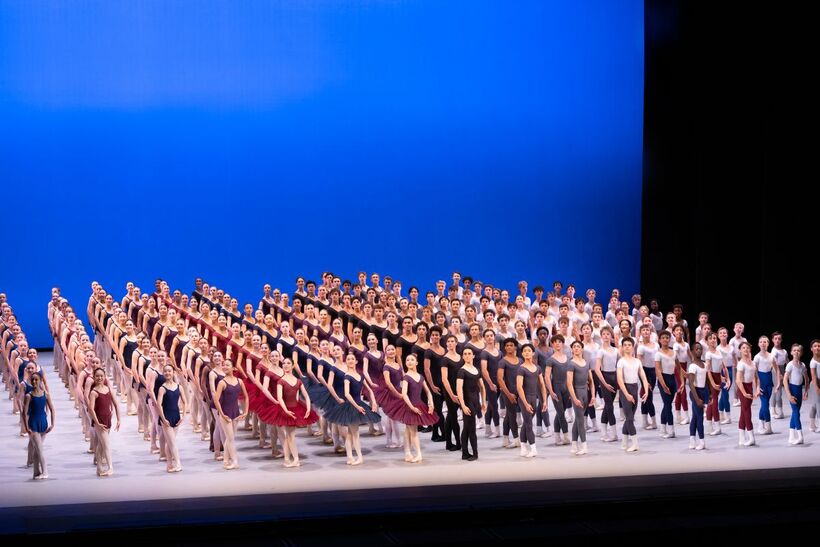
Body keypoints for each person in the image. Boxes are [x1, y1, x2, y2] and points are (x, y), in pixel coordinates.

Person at [389, 353, 437, 462]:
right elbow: (404, 394)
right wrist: (411, 407)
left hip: (418, 404)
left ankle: (408, 453)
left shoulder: (420, 376)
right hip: (409, 406)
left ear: (416, 363)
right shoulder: (406, 377)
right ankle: (418, 454)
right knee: (412, 430)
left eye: (412, 360)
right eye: (407, 360)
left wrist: (431, 404)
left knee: (409, 430)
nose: (409, 362)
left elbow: (428, 391)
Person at [274, 358, 319, 468]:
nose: (285, 365)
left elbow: (306, 396)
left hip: (295, 409)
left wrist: (308, 408)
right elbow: (279, 397)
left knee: (289, 436)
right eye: (284, 363)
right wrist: (285, 410)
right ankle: (293, 459)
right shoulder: (280, 381)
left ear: (293, 366)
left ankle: (291, 459)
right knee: (289, 436)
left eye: (288, 363)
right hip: (286, 410)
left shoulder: (298, 381)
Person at [214, 359, 248, 469]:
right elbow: (216, 400)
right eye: (223, 365)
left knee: (230, 438)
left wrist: (246, 411)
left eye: (227, 365)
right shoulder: (222, 383)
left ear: (233, 368)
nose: (224, 367)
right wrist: (222, 414)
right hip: (226, 413)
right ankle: (235, 461)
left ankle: (225, 460)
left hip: (235, 412)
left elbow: (246, 397)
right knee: (230, 438)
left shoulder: (239, 381)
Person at [616, 338, 649, 452]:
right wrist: (626, 394)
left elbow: (643, 377)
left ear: (633, 346)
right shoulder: (621, 361)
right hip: (625, 389)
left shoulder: (637, 361)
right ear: (622, 347)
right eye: (625, 345)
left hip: (635, 389)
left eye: (629, 345)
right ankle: (635, 443)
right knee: (630, 418)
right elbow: (620, 379)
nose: (627, 347)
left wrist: (646, 391)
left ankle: (624, 443)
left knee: (629, 418)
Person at [516, 344, 547, 457]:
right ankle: (533, 449)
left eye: (529, 350)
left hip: (534, 399)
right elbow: (519, 387)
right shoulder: (521, 369)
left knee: (526, 423)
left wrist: (545, 401)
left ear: (533, 353)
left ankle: (523, 447)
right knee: (529, 424)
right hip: (525, 399)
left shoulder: (538, 368)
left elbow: (542, 385)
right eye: (525, 351)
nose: (527, 352)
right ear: (522, 354)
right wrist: (525, 403)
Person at [88, 367, 119, 476]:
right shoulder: (94, 392)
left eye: (101, 376)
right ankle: (110, 467)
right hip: (99, 422)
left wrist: (119, 419)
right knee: (106, 444)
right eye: (97, 376)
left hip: (107, 420)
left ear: (105, 376)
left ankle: (99, 468)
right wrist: (97, 422)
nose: (99, 378)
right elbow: (91, 409)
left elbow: (116, 404)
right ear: (94, 377)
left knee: (101, 445)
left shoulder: (108, 389)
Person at [23, 372, 55, 479]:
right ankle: (45, 471)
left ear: (40, 380)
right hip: (33, 424)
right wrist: (26, 427)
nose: (34, 381)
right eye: (32, 380)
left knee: (37, 449)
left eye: (36, 379)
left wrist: (52, 424)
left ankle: (36, 472)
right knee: (40, 449)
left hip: (43, 424)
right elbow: (24, 412)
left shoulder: (46, 394)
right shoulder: (29, 396)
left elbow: (52, 409)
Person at [457, 347, 486, 461]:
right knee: (471, 429)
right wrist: (463, 405)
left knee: (466, 428)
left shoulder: (476, 370)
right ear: (463, 356)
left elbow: (482, 387)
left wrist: (483, 402)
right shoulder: (462, 371)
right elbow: (459, 389)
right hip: (467, 402)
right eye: (465, 354)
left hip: (475, 401)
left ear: (473, 356)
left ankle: (464, 453)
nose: (467, 355)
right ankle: (475, 453)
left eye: (469, 353)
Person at [157, 363, 188, 472]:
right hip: (166, 417)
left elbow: (185, 402)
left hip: (176, 416)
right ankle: (178, 463)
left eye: (169, 371)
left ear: (173, 372)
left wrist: (183, 416)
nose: (167, 373)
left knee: (170, 442)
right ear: (163, 373)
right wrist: (163, 419)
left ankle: (169, 464)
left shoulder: (179, 387)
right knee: (173, 442)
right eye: (165, 371)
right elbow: (159, 404)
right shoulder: (162, 388)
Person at [567, 341, 595, 455]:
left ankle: (574, 445)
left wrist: (593, 396)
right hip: (577, 393)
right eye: (574, 347)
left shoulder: (586, 363)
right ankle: (584, 446)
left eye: (578, 346)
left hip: (585, 394)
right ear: (572, 349)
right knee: (581, 421)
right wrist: (574, 398)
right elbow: (569, 383)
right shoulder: (571, 364)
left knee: (578, 420)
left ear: (582, 349)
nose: (576, 348)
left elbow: (591, 381)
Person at [594, 327, 620, 442]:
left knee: (608, 406)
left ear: (611, 336)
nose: (605, 336)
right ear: (601, 336)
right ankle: (614, 434)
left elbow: (619, 365)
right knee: (609, 406)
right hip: (605, 377)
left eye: (608, 334)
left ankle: (604, 432)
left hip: (614, 377)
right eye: (603, 334)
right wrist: (604, 383)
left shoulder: (616, 350)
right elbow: (597, 369)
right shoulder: (600, 351)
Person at [545, 335, 571, 446]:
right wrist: (551, 391)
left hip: (566, 388)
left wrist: (571, 389)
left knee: (561, 412)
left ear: (563, 344)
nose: (557, 344)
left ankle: (557, 437)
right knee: (560, 413)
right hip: (556, 388)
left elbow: (570, 375)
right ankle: (566, 436)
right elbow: (547, 376)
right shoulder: (550, 360)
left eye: (559, 341)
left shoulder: (567, 358)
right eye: (555, 342)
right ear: (552, 344)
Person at [440, 335, 463, 451]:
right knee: (453, 417)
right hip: (450, 392)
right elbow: (444, 379)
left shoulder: (461, 357)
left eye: (452, 341)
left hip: (460, 391)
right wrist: (451, 395)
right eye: (448, 341)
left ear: (456, 343)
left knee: (449, 416)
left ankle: (448, 443)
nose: (450, 343)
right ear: (446, 344)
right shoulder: (445, 359)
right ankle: (458, 443)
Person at [497, 338, 521, 448]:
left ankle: (505, 439)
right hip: (508, 393)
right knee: (512, 415)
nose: (509, 347)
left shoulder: (520, 361)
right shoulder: (502, 362)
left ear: (515, 347)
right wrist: (508, 394)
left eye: (511, 345)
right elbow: (500, 379)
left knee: (508, 416)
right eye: (507, 345)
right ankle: (516, 439)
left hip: (519, 392)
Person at [783, 344, 809, 445]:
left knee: (795, 413)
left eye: (798, 350)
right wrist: (789, 395)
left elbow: (806, 378)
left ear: (801, 353)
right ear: (791, 352)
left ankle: (791, 436)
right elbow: (785, 380)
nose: (796, 352)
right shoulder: (790, 365)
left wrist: (806, 391)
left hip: (799, 391)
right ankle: (800, 436)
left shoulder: (802, 365)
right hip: (792, 390)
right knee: (796, 413)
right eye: (794, 350)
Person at [654, 331, 678, 438]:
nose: (665, 339)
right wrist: (663, 385)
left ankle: (663, 428)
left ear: (669, 339)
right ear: (659, 340)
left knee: (667, 404)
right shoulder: (658, 354)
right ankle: (671, 430)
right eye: (663, 338)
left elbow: (679, 368)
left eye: (667, 338)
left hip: (672, 380)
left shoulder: (674, 352)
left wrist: (682, 381)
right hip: (663, 379)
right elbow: (658, 370)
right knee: (668, 405)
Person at [754, 335, 779, 435]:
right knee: (765, 405)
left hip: (769, 382)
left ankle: (761, 425)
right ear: (758, 344)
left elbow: (777, 370)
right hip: (761, 383)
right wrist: (757, 387)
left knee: (765, 404)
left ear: (768, 344)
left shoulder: (771, 356)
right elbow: (754, 373)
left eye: (765, 342)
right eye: (761, 342)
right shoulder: (757, 357)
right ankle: (768, 426)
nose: (763, 343)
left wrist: (778, 383)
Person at [686, 343, 710, 450]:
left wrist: (709, 395)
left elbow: (707, 380)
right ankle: (702, 441)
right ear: (692, 352)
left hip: (703, 392)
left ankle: (692, 439)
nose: (699, 350)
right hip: (695, 393)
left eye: (700, 349)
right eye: (696, 349)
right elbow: (691, 384)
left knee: (695, 417)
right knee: (700, 418)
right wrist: (697, 399)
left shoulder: (704, 364)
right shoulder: (692, 366)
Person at [735, 342, 759, 447]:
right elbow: (738, 381)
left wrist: (757, 389)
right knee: (747, 413)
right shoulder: (741, 364)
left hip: (749, 388)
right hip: (743, 389)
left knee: (743, 413)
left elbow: (756, 377)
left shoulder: (752, 363)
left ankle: (741, 438)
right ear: (740, 350)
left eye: (747, 348)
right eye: (743, 348)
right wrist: (744, 393)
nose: (746, 349)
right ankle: (751, 437)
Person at [480, 329, 502, 438]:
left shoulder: (499, 352)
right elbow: (484, 370)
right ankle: (497, 430)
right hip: (490, 383)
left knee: (491, 406)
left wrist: (502, 383)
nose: (489, 337)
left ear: (494, 337)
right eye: (487, 336)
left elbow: (502, 369)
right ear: (484, 338)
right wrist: (490, 384)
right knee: (494, 405)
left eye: (491, 335)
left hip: (499, 382)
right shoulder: (484, 353)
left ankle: (488, 429)